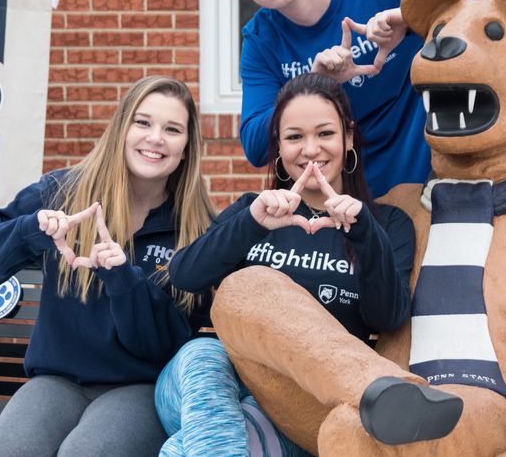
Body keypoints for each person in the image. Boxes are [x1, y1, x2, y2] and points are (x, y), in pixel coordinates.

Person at [0, 76, 214, 456]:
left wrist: (123, 280)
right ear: (121, 128)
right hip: (57, 382)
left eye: (172, 129)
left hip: (141, 388)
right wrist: (29, 231)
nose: (155, 138)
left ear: (186, 148)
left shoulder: (196, 228)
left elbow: (162, 347)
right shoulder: (63, 193)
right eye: (143, 122)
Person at [155, 73, 415, 456]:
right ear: (278, 147)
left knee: (184, 449)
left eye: (324, 134)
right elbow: (185, 274)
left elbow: (387, 317)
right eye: (294, 137)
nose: (310, 149)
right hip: (211, 383)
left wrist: (364, 233)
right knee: (203, 354)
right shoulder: (251, 211)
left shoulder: (387, 224)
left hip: (299, 409)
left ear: (348, 138)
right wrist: (252, 224)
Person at [217, 0, 497, 197]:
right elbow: (256, 146)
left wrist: (408, 16)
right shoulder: (261, 40)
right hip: (346, 207)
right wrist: (312, 84)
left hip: (428, 186)